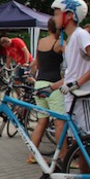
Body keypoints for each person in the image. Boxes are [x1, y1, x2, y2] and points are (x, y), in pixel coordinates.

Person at [37, 0, 90, 179]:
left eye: (57, 13)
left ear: (69, 15)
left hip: (84, 98)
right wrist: (52, 87)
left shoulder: (80, 35)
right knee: (81, 146)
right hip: (73, 99)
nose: (55, 17)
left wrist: (77, 83)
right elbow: (71, 75)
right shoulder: (69, 40)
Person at [29, 18, 65, 164]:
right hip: (53, 85)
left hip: (39, 84)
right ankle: (64, 157)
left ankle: (32, 155)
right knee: (59, 123)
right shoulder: (60, 43)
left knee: (41, 122)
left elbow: (35, 64)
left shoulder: (41, 42)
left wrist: (32, 76)